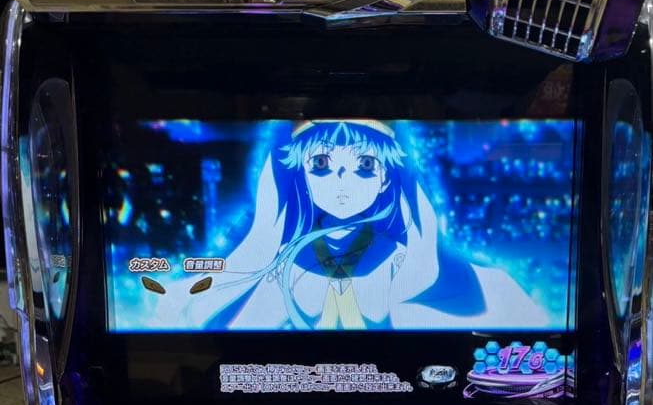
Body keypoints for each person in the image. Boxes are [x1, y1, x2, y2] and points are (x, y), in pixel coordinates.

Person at [165, 119, 550, 332]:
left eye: (364, 165)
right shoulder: (280, 263)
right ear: (300, 176)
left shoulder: (411, 259)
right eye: (321, 164)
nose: (341, 181)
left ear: (385, 177)